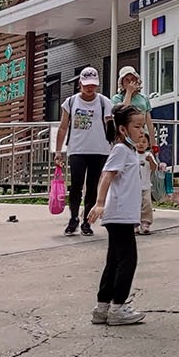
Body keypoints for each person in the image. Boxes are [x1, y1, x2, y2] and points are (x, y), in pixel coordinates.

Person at [91, 102, 152, 325]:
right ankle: (118, 307)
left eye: (142, 126)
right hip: (119, 214)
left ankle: (103, 307)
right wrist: (99, 203)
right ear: (123, 129)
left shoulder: (128, 151)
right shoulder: (121, 150)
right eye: (136, 127)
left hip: (121, 214)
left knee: (115, 259)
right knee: (128, 259)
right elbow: (106, 176)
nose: (141, 131)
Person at [54, 67, 110, 237]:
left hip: (99, 149)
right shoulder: (71, 102)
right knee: (76, 185)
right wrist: (58, 150)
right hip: (77, 149)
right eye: (86, 84)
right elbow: (63, 127)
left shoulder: (104, 102)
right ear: (80, 84)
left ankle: (87, 220)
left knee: (93, 187)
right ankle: (73, 219)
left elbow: (110, 124)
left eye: (93, 85)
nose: (89, 88)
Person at [112, 66, 159, 235]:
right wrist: (129, 94)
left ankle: (144, 219)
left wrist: (153, 143)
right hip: (125, 139)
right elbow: (120, 113)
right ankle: (129, 217)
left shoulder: (144, 99)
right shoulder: (117, 98)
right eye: (126, 80)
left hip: (141, 138)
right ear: (121, 82)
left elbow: (149, 122)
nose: (130, 82)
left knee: (143, 177)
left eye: (133, 79)